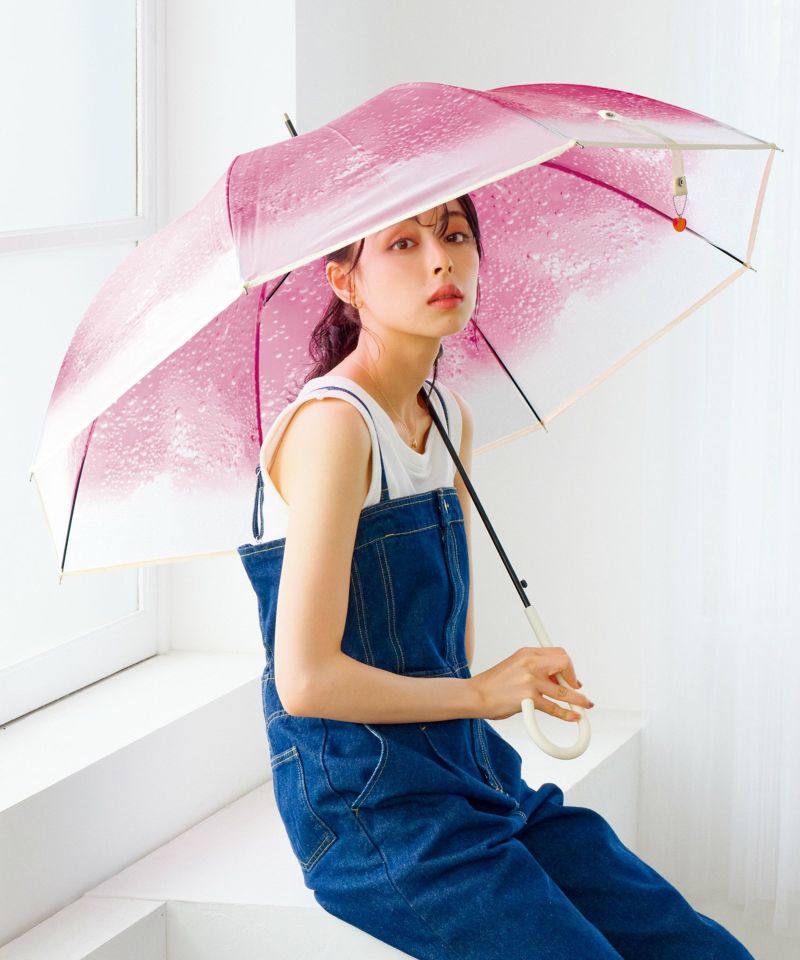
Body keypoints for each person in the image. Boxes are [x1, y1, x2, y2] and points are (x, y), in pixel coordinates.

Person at [236, 197, 754, 959]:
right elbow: (306, 683)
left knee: (697, 948)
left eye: (455, 235)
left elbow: (450, 649)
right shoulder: (334, 426)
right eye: (402, 244)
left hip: (472, 772)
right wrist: (483, 693)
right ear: (345, 282)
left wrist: (511, 683)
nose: (441, 260)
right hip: (373, 809)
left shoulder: (447, 416)